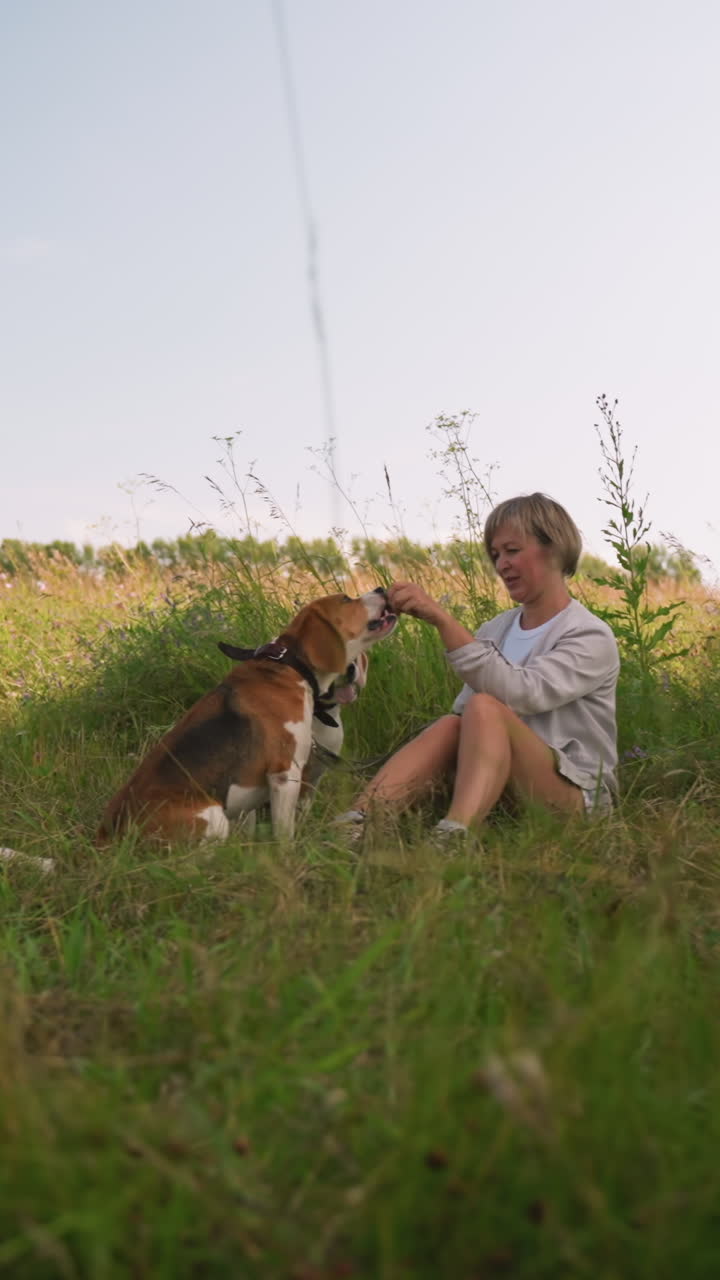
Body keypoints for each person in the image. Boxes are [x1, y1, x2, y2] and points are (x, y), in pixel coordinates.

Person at [335, 493, 620, 843]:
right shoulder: (496, 629)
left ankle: (454, 836)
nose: (502, 565)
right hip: (504, 787)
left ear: (554, 549)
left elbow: (522, 694)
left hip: (574, 798)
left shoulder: (589, 635)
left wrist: (442, 619)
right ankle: (355, 824)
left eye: (512, 550)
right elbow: (466, 718)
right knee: (452, 723)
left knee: (484, 707)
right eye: (496, 555)